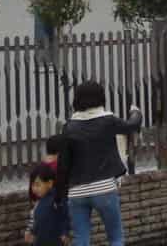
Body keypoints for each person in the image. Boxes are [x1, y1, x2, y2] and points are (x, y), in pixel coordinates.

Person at [57, 81, 142, 246]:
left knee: (81, 239)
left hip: (77, 192)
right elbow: (132, 125)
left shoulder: (69, 127)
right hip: (104, 189)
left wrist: (59, 196)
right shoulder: (107, 121)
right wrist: (136, 112)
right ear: (101, 97)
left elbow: (63, 165)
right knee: (115, 238)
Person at [25, 162, 69, 246]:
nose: (34, 188)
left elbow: (65, 216)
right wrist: (31, 232)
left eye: (37, 185)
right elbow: (38, 221)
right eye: (32, 185)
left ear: (49, 183)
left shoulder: (57, 198)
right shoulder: (39, 201)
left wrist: (65, 233)